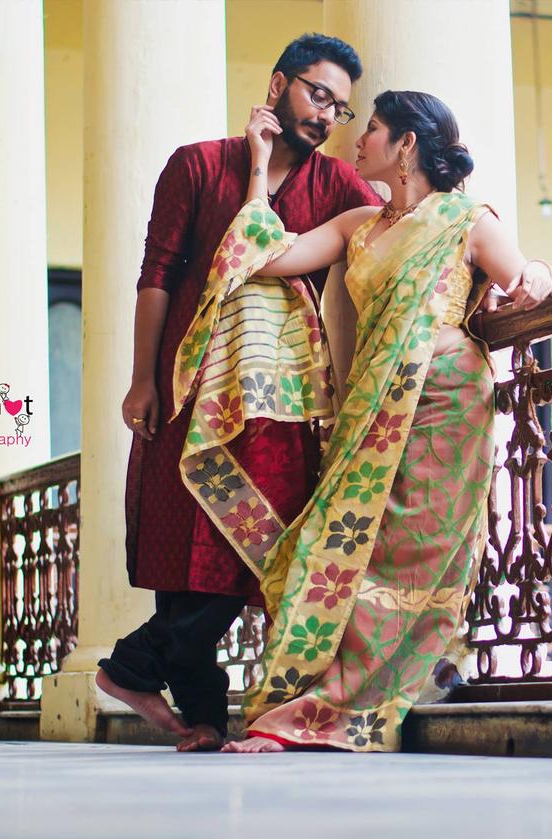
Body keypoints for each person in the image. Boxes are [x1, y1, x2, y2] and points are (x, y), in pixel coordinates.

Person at [186, 90, 552, 753]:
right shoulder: (358, 223)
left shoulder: (467, 219)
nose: (359, 139)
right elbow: (268, 256)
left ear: (407, 143)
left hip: (445, 404)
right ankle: (311, 707)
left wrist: (539, 276)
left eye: (374, 128)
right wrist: (259, 161)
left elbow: (526, 274)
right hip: (370, 411)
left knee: (412, 557)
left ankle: (350, 709)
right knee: (333, 556)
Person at [95, 33, 384, 754]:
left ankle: (133, 667)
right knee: (183, 549)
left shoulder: (335, 188)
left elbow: (397, 225)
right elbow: (157, 274)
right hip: (190, 385)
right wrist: (143, 378)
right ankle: (200, 718)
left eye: (341, 109)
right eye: (318, 95)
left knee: (251, 550)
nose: (326, 116)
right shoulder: (199, 165)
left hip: (280, 404)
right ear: (280, 83)